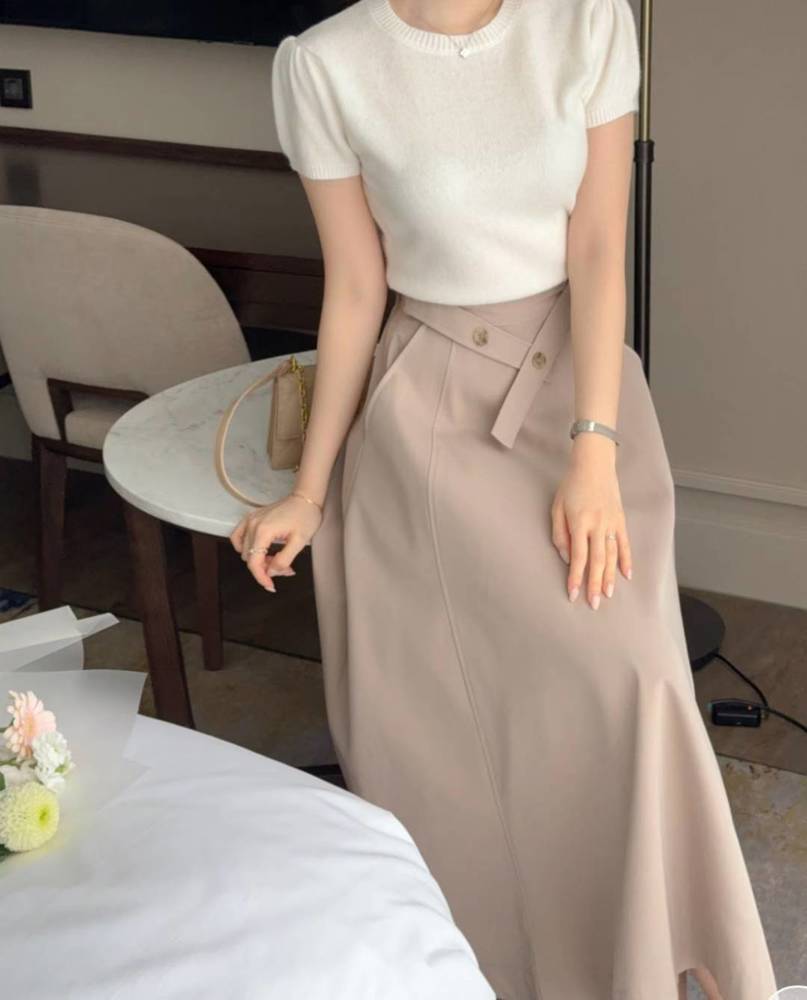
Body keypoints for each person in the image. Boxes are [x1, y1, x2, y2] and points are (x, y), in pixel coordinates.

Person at [230, 2, 778, 997]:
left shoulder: (587, 23)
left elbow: (599, 246)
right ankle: (483, 970)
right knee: (439, 734)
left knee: (633, 676)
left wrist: (594, 447)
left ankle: (645, 963)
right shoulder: (324, 64)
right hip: (428, 407)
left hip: (579, 392)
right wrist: (309, 491)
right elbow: (354, 286)